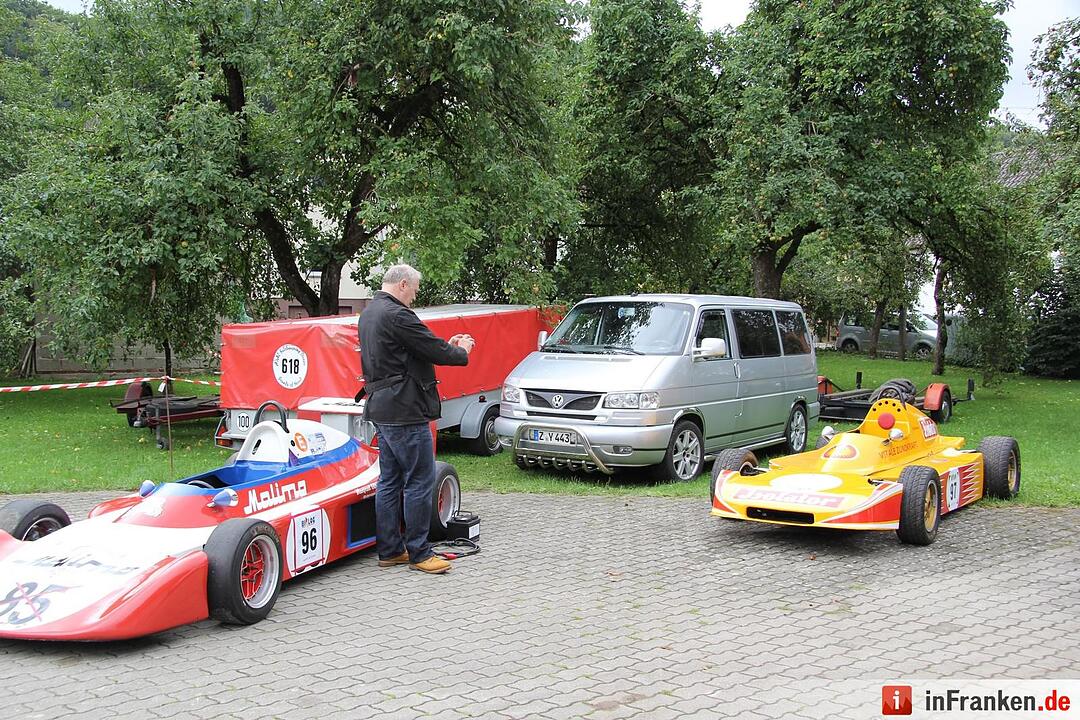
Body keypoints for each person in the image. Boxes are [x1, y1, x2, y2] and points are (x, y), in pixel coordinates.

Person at [357, 264, 475, 574]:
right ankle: (420, 553)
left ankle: (391, 551)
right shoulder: (397, 314)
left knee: (390, 480)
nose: (416, 295)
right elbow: (432, 349)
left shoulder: (370, 313)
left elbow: (412, 350)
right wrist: (460, 351)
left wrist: (442, 346)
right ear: (404, 284)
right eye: (415, 289)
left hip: (382, 407)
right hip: (404, 411)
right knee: (419, 481)